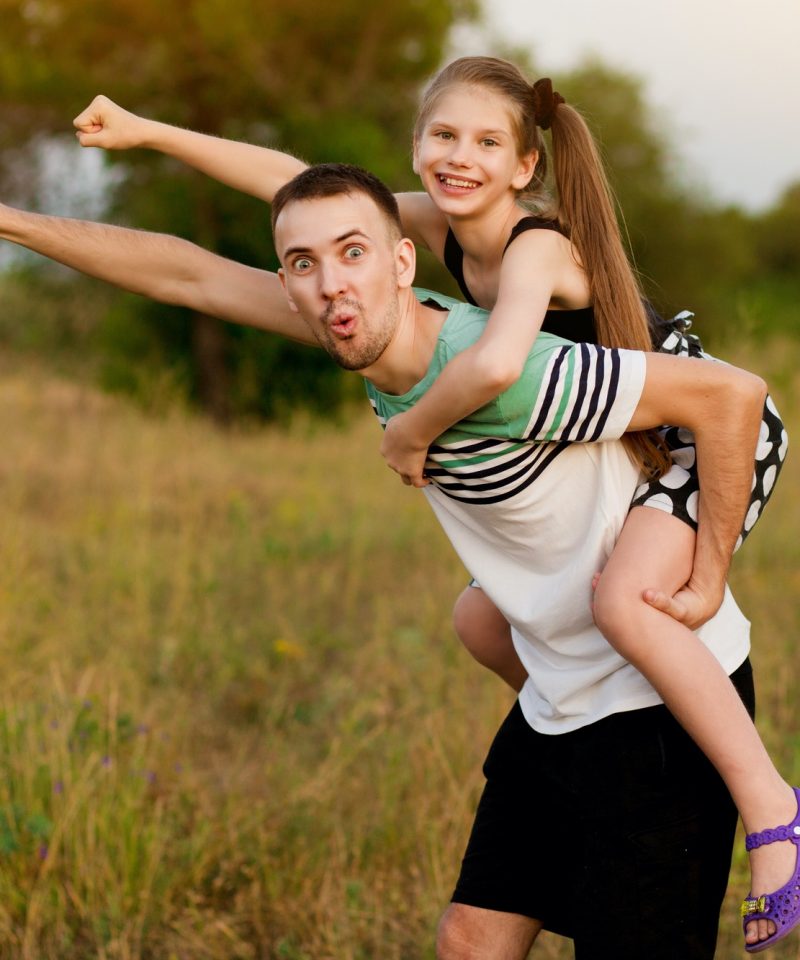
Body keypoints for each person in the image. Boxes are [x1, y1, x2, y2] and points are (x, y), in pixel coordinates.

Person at [71, 60, 792, 951]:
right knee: (479, 621)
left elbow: (493, 367)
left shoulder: (534, 245)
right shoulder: (429, 228)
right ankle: (590, 741)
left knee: (626, 601)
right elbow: (293, 185)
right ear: (414, 151)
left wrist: (409, 435)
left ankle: (770, 807)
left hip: (705, 427)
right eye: (443, 137)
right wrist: (149, 131)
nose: (460, 158)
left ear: (528, 165)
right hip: (623, 426)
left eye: (488, 142)